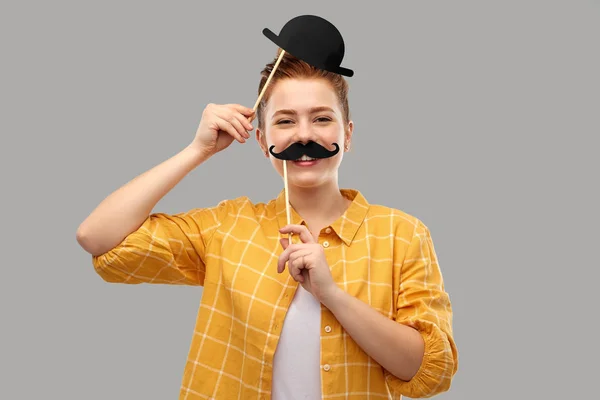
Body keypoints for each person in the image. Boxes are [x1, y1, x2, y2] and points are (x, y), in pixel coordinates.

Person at [76, 50, 458, 399]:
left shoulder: (402, 234)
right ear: (262, 140)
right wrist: (199, 150)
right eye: (285, 121)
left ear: (348, 134)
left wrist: (332, 295)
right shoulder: (227, 227)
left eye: (322, 119)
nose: (305, 135)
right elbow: (98, 237)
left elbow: (428, 370)